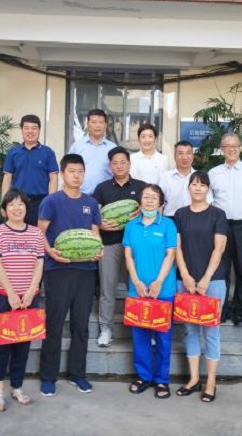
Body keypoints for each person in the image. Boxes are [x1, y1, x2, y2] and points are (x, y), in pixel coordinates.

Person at [37, 153, 103, 396]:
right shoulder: (51, 201)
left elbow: (95, 233)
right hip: (58, 270)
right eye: (72, 171)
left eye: (80, 171)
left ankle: (78, 374)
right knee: (54, 324)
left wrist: (99, 249)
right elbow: (39, 232)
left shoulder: (91, 203)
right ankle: (48, 377)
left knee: (81, 325)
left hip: (86, 270)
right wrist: (50, 252)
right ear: (63, 174)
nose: (76, 175)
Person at [0, 188, 45, 411]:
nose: (17, 208)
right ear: (4, 210)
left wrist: (31, 291)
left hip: (29, 297)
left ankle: (17, 387)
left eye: (21, 204)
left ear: (26, 208)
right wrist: (11, 293)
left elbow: (39, 263)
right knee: (2, 344)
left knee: (23, 344)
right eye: (11, 204)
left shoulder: (36, 233)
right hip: (2, 296)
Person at [174, 171, 228, 403]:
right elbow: (177, 248)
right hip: (185, 280)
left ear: (208, 189)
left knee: (211, 331)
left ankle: (211, 382)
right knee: (190, 330)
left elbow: (219, 248)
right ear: (188, 187)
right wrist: (185, 275)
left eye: (202, 185)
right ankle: (194, 379)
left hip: (213, 281)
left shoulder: (218, 214)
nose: (197, 188)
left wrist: (205, 278)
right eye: (194, 184)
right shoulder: (180, 214)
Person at [123, 184, 177, 399]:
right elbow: (128, 256)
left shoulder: (168, 225)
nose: (149, 200)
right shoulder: (131, 226)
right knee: (140, 337)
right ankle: (143, 376)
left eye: (154, 197)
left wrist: (158, 282)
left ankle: (162, 380)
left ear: (160, 202)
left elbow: (170, 254)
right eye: (146, 197)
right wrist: (136, 281)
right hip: (137, 290)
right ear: (140, 201)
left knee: (163, 337)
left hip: (162, 290)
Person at [92, 146, 146, 347]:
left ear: (129, 164)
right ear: (110, 166)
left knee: (138, 287)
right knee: (107, 289)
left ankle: (142, 326)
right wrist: (100, 224)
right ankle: (106, 329)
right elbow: (94, 216)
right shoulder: (102, 188)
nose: (119, 166)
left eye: (123, 162)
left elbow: (155, 208)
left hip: (136, 246)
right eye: (115, 163)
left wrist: (143, 211)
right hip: (110, 244)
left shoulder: (142, 187)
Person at [208, 134, 242, 327]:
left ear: (240, 148)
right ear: (222, 149)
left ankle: (239, 310)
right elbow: (209, 202)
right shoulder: (214, 173)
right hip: (220, 226)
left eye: (235, 145)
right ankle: (222, 309)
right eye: (227, 146)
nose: (231, 149)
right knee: (221, 269)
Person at [1, 114, 59, 226]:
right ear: (22, 130)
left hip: (40, 203)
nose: (30, 131)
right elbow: (7, 178)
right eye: (26, 128)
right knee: (17, 233)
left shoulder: (47, 152)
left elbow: (54, 178)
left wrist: (50, 202)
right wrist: (4, 203)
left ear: (39, 130)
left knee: (39, 234)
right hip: (17, 202)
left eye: (34, 128)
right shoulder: (13, 152)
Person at [68, 108, 117, 195]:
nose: (97, 126)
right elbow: (68, 170)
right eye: (94, 122)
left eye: (101, 122)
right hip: (81, 195)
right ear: (87, 124)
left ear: (105, 125)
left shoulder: (113, 148)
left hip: (105, 196)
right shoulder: (77, 147)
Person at [160, 140, 211, 217]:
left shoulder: (201, 177)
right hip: (172, 219)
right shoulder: (165, 177)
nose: (184, 157)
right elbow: (159, 203)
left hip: (197, 218)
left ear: (193, 156)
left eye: (188, 153)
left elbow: (208, 201)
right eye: (180, 153)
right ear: (174, 156)